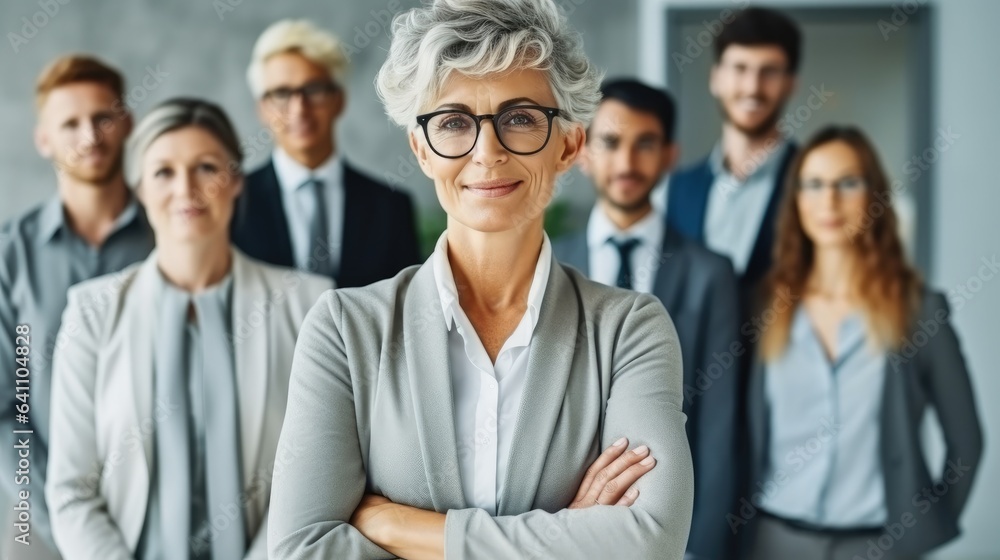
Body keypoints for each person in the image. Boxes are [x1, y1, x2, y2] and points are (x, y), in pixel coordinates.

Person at [267, 1, 694, 558]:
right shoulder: (346, 330)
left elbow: (649, 541)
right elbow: (301, 548)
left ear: (569, 143)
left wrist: (401, 527)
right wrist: (568, 535)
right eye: (453, 122)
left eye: (519, 118)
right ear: (422, 150)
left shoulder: (629, 330)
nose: (487, 152)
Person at [45, 99, 332, 559]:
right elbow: (71, 491)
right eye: (163, 172)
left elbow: (320, 477)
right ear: (138, 187)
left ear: (236, 180)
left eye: (205, 168)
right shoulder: (90, 312)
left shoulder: (310, 304)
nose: (186, 189)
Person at [744, 126, 983, 559]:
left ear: (874, 196)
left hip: (878, 545)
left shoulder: (919, 311)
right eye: (813, 184)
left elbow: (967, 441)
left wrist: (925, 531)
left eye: (847, 183)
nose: (829, 201)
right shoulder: (761, 307)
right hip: (771, 541)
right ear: (795, 199)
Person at [553, 78, 740, 560]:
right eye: (611, 143)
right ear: (582, 150)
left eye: (646, 144)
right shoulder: (547, 265)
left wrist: (700, 546)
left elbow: (720, 423)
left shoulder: (710, 274)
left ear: (670, 155)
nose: (627, 163)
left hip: (671, 527)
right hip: (563, 524)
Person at [0, 54, 154, 560]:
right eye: (70, 123)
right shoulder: (10, 256)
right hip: (38, 531)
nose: (90, 136)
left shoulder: (171, 237)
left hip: (159, 518)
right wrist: (57, 518)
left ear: (126, 121)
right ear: (43, 138)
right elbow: (10, 407)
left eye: (103, 116)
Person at [231, 19, 421, 287]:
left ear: (338, 100)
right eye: (282, 93)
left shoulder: (390, 207)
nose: (299, 109)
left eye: (314, 90)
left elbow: (404, 308)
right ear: (262, 109)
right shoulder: (234, 203)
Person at [666, 7, 802, 294]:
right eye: (740, 68)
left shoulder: (812, 182)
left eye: (769, 71)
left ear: (790, 84)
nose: (753, 87)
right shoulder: (678, 189)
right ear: (715, 78)